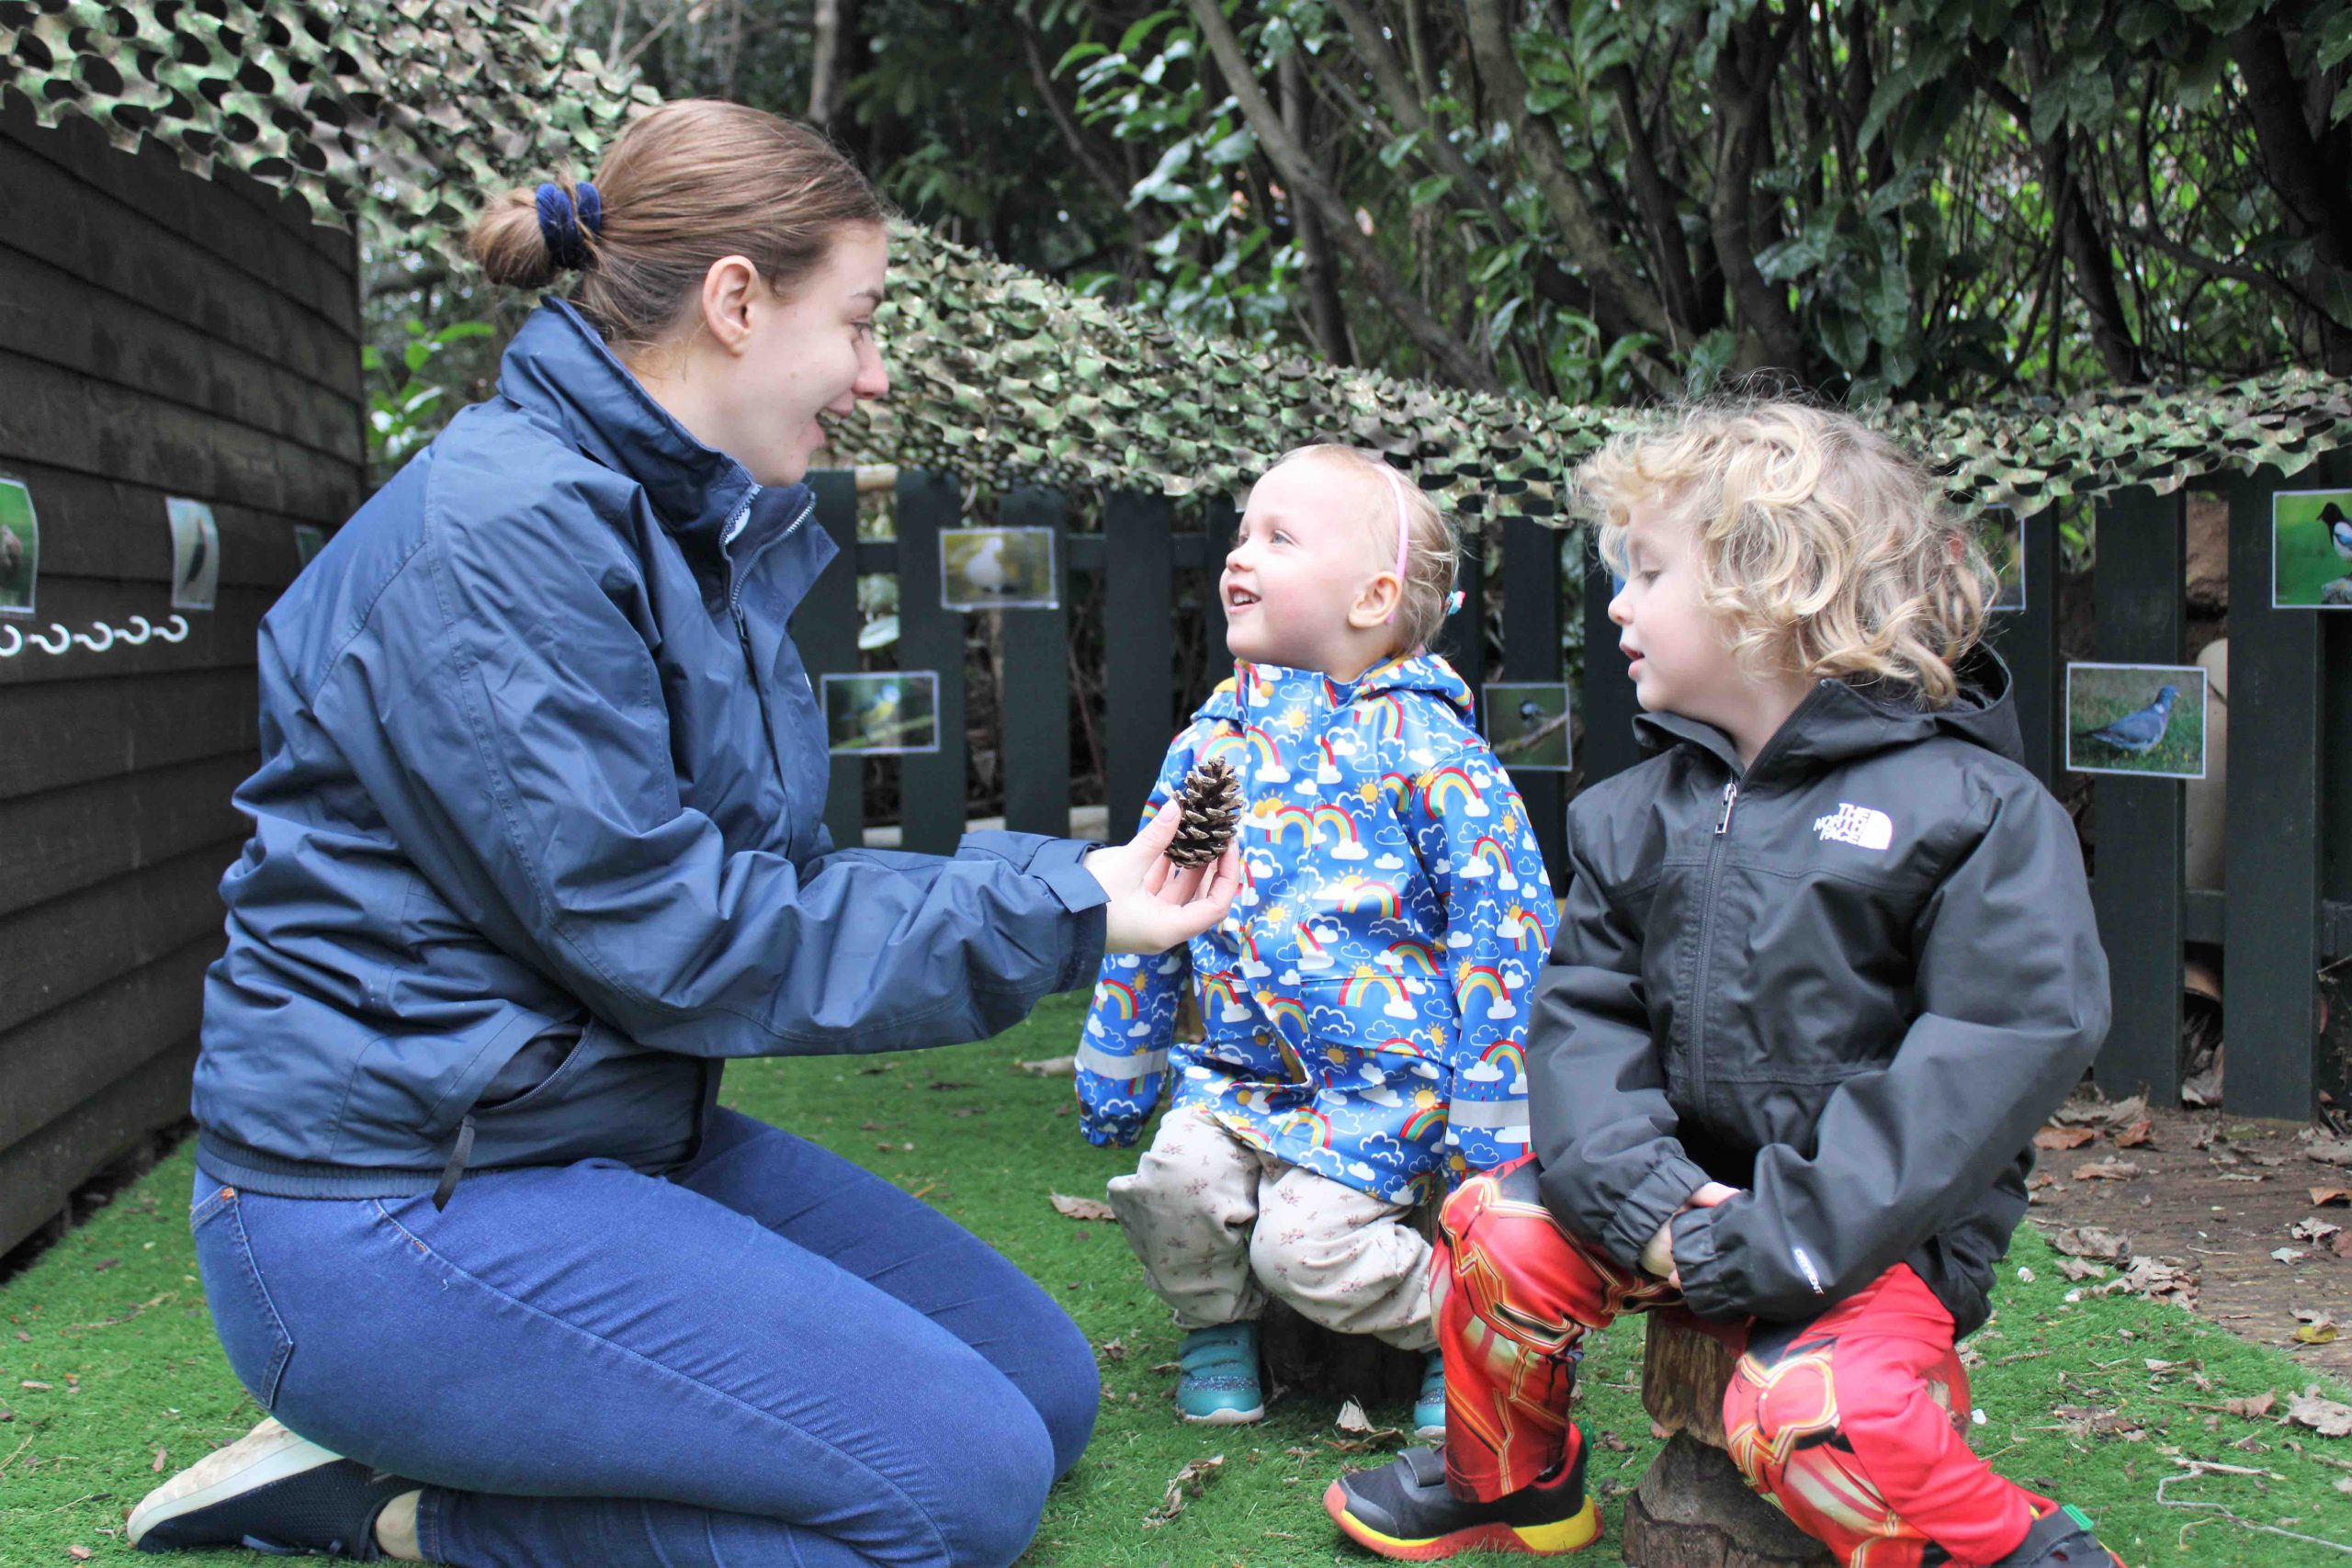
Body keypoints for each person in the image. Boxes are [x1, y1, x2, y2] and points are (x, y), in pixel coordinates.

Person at [125, 100, 1239, 1568]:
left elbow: (757, 880)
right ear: (734, 301)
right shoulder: (498, 541)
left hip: (587, 1135)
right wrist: (1062, 916)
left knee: (1042, 1391)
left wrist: (1070, 884)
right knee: (953, 1491)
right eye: (856, 321)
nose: (872, 372)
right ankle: (387, 1504)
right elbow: (680, 931)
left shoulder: (664, 524)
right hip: (391, 1205)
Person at [1325, 401, 2123, 1567]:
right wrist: (1645, 1208)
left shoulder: (1973, 811)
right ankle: (1510, 1478)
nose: (1617, 606)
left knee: (1809, 1420)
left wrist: (1783, 1238)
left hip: (1867, 1244)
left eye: (1647, 571)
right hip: (1665, 1217)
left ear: (1773, 591)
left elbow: (2000, 1044)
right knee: (1492, 1225)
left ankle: (2021, 1549)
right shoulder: (1631, 813)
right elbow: (1586, 1021)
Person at [1077, 446, 1559, 1441]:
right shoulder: (1214, 746)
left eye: (1278, 538)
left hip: (1385, 1092)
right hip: (1234, 1077)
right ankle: (1216, 1327)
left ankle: (1469, 1332)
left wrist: (1498, 1110)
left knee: (1305, 1250)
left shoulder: (1431, 754)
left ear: (1372, 596)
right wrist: (1119, 1064)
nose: (1237, 555)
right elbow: (1152, 904)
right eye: (1242, 531)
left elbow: (1504, 929)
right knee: (1172, 1188)